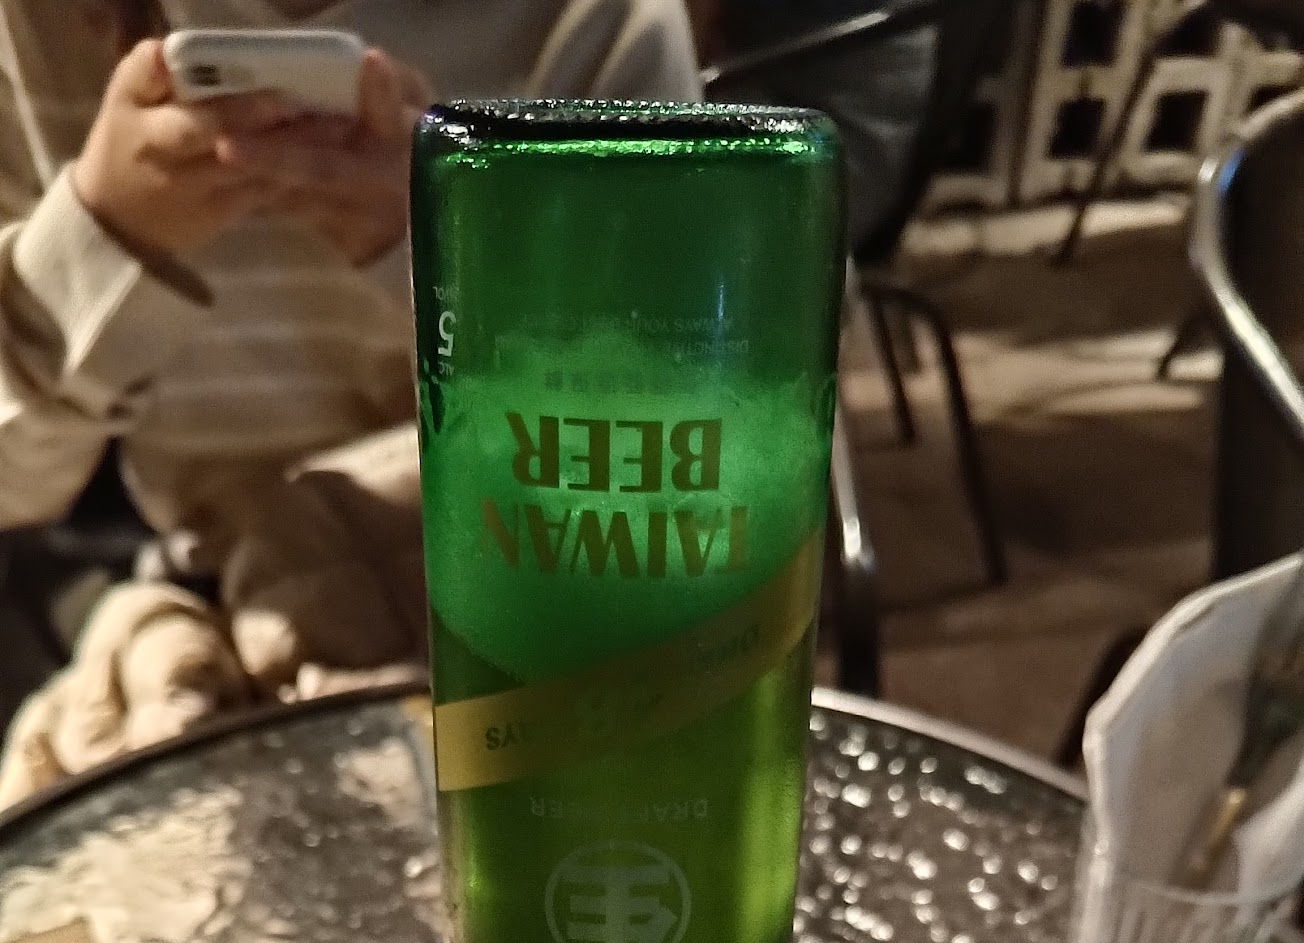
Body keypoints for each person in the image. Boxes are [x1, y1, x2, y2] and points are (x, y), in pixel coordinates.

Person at [0, 0, 701, 808]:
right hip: (232, 636)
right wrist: (101, 234)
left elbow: (685, 471)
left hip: (550, 609)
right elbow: (15, 486)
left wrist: (453, 255)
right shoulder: (37, 29)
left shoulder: (596, 21)